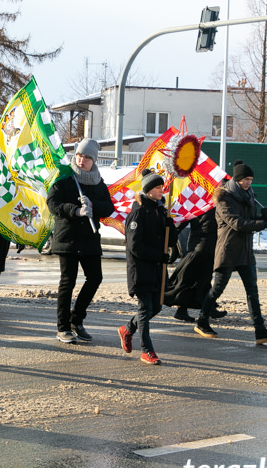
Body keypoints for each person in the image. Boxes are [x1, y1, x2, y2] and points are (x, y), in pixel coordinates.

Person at [193, 160, 267, 344]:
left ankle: (260, 330)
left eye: (250, 179)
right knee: (217, 289)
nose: (248, 183)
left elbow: (250, 220)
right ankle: (202, 321)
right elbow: (238, 224)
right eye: (245, 180)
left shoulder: (248, 194)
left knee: (252, 291)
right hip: (228, 251)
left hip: (245, 251)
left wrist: (264, 216)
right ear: (236, 179)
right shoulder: (224, 198)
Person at [47, 139, 114, 343]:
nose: (81, 159)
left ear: (94, 160)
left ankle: (77, 319)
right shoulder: (66, 177)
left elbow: (108, 206)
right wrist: (75, 210)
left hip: (90, 238)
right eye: (79, 155)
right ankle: (63, 327)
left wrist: (93, 205)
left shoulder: (97, 181)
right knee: (68, 281)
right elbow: (53, 203)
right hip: (68, 237)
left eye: (86, 157)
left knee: (95, 278)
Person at [117, 169, 176, 364]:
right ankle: (147, 350)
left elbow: (170, 240)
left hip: (158, 269)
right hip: (141, 270)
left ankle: (127, 329)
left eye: (161, 187)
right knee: (144, 309)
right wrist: (158, 256)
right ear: (149, 190)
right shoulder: (138, 212)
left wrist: (170, 225)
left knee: (157, 307)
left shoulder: (160, 210)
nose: (161, 190)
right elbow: (135, 246)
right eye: (158, 187)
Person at [163, 207, 228, 323]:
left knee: (200, 280)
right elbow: (184, 221)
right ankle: (206, 309)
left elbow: (183, 221)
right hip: (202, 247)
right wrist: (170, 234)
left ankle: (189, 310)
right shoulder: (205, 205)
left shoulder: (199, 205)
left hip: (203, 247)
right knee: (196, 280)